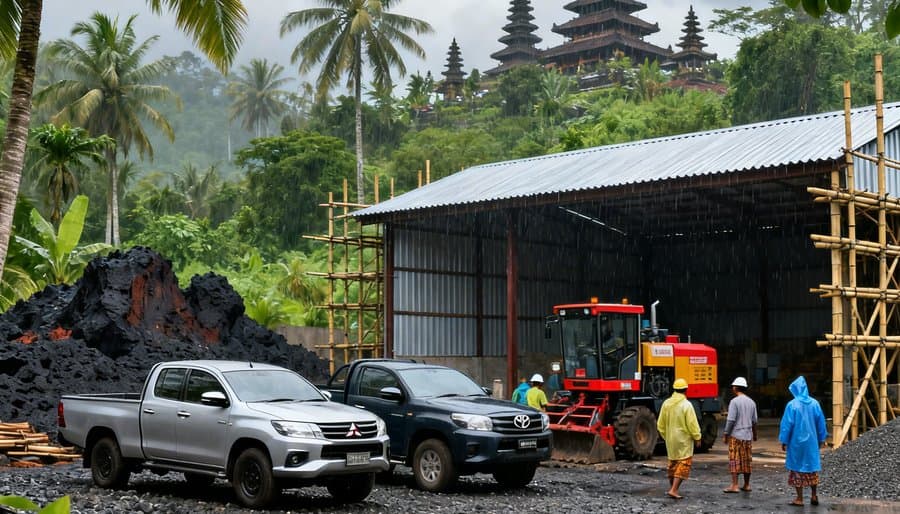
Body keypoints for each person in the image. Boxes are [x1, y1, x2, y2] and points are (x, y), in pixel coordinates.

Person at [779, 375, 827, 507]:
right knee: (812, 468)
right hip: (811, 442)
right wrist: (822, 438)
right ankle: (813, 495)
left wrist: (784, 440)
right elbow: (821, 423)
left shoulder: (792, 405)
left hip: (796, 443)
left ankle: (799, 498)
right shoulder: (815, 404)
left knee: (797, 469)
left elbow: (787, 425)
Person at [656, 378, 701, 500]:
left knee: (673, 463)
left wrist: (666, 436)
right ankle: (674, 489)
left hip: (670, 439)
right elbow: (692, 424)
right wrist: (697, 437)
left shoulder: (666, 403)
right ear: (686, 390)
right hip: (684, 440)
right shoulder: (686, 405)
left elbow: (660, 424)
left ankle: (672, 488)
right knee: (684, 463)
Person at [722, 376, 758, 493]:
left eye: (733, 386)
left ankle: (735, 485)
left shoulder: (734, 402)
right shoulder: (752, 402)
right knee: (746, 460)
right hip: (747, 436)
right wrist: (755, 434)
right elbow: (754, 421)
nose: (732, 388)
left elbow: (731, 420)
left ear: (736, 388)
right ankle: (747, 484)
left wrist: (726, 434)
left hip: (736, 436)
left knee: (734, 459)